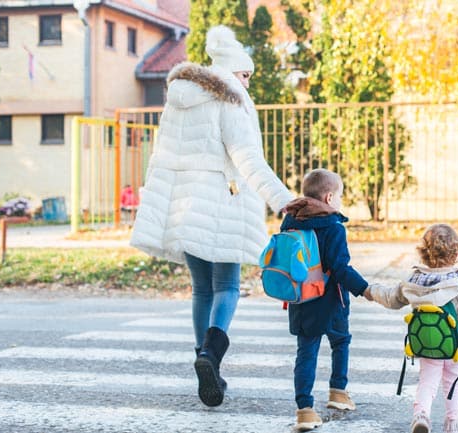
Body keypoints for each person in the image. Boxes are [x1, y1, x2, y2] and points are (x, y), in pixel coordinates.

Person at [129, 25, 294, 408]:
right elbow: (246, 158)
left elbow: (162, 157)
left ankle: (209, 365)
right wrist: (281, 199)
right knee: (228, 287)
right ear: (232, 71)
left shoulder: (179, 98)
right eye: (246, 75)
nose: (247, 83)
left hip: (184, 206)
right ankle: (210, 355)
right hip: (222, 201)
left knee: (201, 289)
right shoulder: (231, 98)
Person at [364, 224, 458, 433]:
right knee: (453, 384)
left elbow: (391, 298)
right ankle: (453, 424)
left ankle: (420, 415)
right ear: (455, 254)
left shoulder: (412, 281)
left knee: (427, 381)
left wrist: (370, 290)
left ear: (423, 253)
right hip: (456, 346)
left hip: (427, 344)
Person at [278, 168, 370, 431]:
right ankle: (338, 392)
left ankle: (304, 410)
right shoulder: (333, 227)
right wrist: (364, 289)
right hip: (331, 301)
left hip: (300, 300)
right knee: (341, 341)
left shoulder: (290, 221)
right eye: (339, 196)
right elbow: (340, 269)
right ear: (329, 198)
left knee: (306, 352)